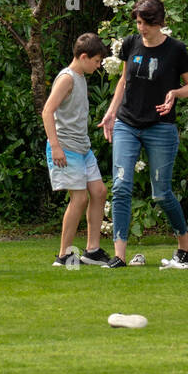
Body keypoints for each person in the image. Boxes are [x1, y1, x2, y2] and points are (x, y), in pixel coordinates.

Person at [98, 0, 188, 267]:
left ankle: (185, 247)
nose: (142, 29)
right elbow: (123, 80)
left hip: (160, 127)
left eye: (147, 24)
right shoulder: (131, 44)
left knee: (161, 193)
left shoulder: (176, 49)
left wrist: (175, 92)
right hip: (127, 124)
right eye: (139, 23)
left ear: (160, 23)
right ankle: (119, 255)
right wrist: (111, 112)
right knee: (120, 186)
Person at [43, 34, 112, 266]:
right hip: (65, 148)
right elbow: (47, 111)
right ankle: (64, 255)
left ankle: (92, 251)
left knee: (99, 192)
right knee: (79, 198)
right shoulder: (67, 78)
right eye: (97, 61)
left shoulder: (81, 76)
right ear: (83, 57)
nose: (99, 65)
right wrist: (55, 147)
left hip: (83, 148)